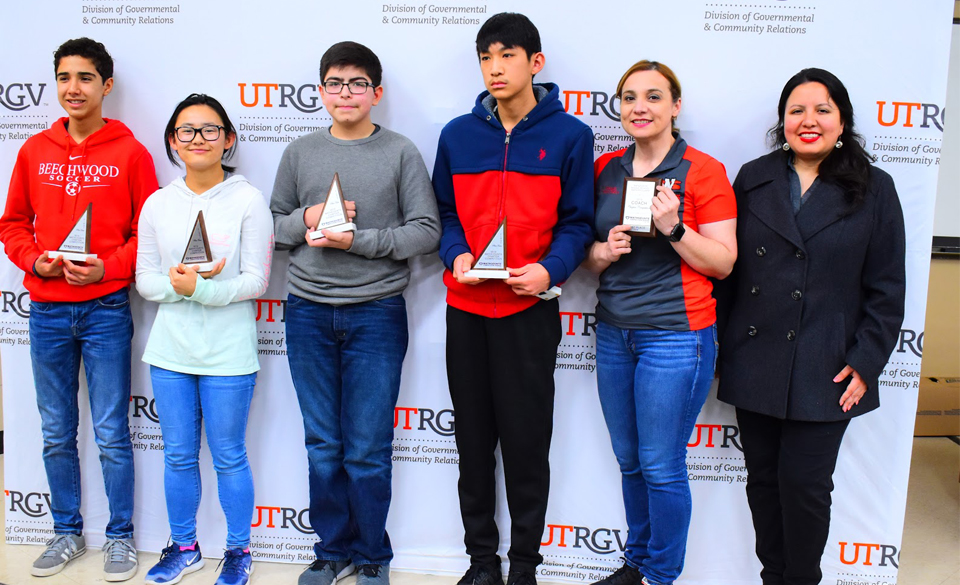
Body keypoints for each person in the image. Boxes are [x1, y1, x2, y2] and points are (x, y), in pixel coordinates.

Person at [716, 68, 905, 585]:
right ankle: (772, 576)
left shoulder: (874, 188)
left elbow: (887, 291)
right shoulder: (753, 178)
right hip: (756, 358)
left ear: (841, 120)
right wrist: (719, 350)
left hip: (828, 364)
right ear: (783, 120)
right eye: (797, 109)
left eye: (822, 109)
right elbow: (728, 275)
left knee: (805, 484)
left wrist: (866, 362)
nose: (809, 120)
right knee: (763, 483)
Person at [432, 13, 595, 585]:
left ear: (535, 62)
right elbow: (446, 215)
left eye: (506, 54)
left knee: (528, 445)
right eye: (485, 57)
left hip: (530, 311)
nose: (495, 67)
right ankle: (482, 562)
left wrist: (549, 270)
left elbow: (577, 223)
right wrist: (455, 255)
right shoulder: (456, 135)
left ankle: (524, 564)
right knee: (472, 444)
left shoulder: (570, 136)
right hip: (467, 310)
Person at [270, 41, 440, 585]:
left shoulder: (400, 152)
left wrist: (357, 241)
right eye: (336, 84)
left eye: (358, 84)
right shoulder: (299, 152)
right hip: (307, 313)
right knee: (323, 443)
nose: (346, 93)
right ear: (321, 92)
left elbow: (426, 231)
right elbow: (273, 227)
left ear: (377, 93)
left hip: (376, 313)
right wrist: (309, 218)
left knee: (367, 448)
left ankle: (372, 556)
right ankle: (331, 550)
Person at [0, 37, 158, 581]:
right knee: (54, 429)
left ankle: (120, 537)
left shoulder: (131, 153)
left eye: (85, 77)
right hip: (45, 310)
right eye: (65, 77)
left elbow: (147, 234)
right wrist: (35, 262)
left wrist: (110, 267)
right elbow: (12, 224)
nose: (74, 88)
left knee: (113, 429)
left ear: (105, 86)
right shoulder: (33, 151)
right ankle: (66, 530)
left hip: (106, 307)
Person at [583, 60, 738, 585]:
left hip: (676, 335)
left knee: (661, 463)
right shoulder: (607, 168)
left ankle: (661, 576)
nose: (639, 107)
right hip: (613, 332)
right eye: (629, 98)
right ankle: (637, 563)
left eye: (653, 96)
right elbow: (588, 255)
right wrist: (603, 252)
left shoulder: (703, 170)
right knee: (629, 459)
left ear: (675, 106)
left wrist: (674, 228)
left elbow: (722, 262)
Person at [135, 93, 272, 585]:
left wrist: (204, 290)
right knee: (176, 454)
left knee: (230, 454)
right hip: (170, 352)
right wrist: (180, 284)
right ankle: (184, 546)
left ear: (228, 139)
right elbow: (144, 280)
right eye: (186, 131)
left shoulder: (248, 200)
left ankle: (238, 551)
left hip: (230, 352)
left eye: (209, 129)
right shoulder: (158, 203)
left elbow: (257, 281)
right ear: (173, 141)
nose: (197, 139)